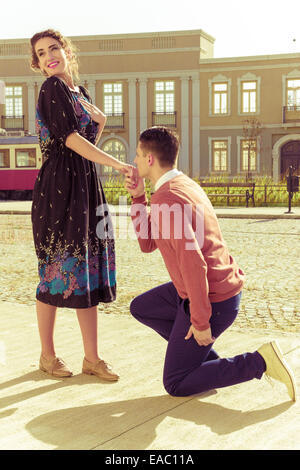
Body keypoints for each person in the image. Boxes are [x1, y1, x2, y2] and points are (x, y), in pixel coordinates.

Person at [125, 126, 296, 401]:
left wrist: (200, 320)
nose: (134, 161)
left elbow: (194, 263)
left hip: (214, 298)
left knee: (176, 382)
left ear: (149, 160)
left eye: (137, 155)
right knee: (142, 308)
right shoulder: (182, 185)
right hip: (207, 289)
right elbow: (148, 244)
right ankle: (203, 364)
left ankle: (259, 362)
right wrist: (137, 197)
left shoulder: (167, 198)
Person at [30, 29, 133, 381]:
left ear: (67, 51)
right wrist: (118, 164)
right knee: (55, 274)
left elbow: (85, 141)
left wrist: (101, 122)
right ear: (38, 64)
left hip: (84, 186)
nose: (49, 56)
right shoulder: (52, 89)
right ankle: (47, 356)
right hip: (58, 192)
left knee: (86, 271)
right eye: (41, 54)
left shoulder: (79, 92)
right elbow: (71, 140)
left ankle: (92, 359)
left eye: (53, 49)